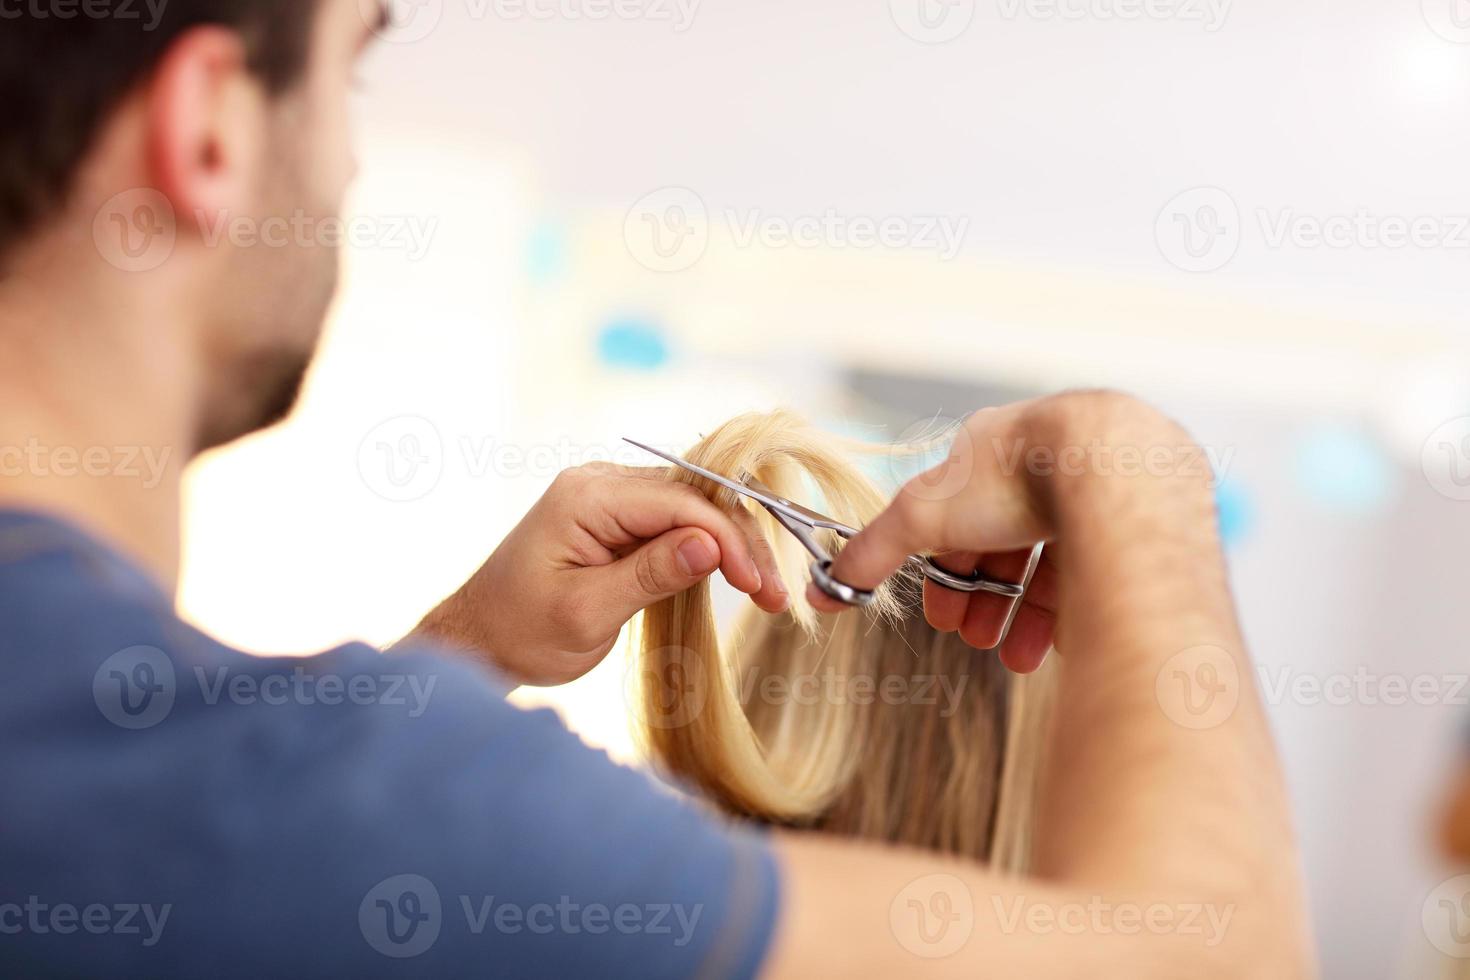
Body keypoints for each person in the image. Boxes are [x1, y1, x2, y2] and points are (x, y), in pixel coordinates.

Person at [0, 1, 1314, 976]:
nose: (350, 170)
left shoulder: (187, 779)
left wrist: (451, 656)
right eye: (357, 68)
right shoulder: (321, 796)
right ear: (209, 128)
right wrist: (1128, 468)